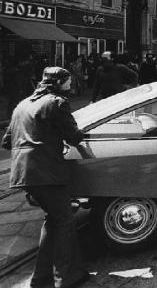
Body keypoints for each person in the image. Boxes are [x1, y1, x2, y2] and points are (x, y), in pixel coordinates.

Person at [1, 67, 90, 288]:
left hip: (23, 173)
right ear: (59, 82)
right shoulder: (56, 102)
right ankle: (66, 277)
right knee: (65, 222)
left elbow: (6, 142)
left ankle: (41, 278)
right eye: (69, 82)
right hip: (47, 172)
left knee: (53, 221)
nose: (71, 86)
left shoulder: (22, 105)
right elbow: (73, 135)